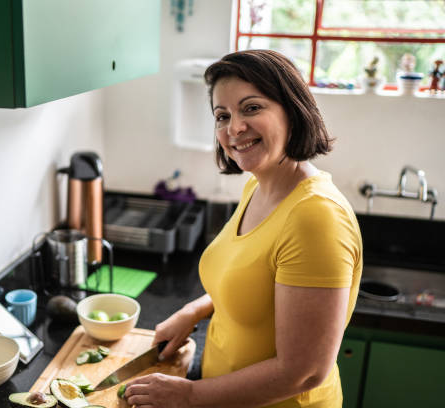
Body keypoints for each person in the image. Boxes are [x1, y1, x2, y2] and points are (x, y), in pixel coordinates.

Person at [124, 49, 363, 408]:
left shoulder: (316, 218)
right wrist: (195, 311)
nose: (233, 128)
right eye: (223, 115)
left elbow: (304, 372)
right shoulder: (259, 185)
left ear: (293, 110)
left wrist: (188, 395)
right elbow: (254, 282)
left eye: (251, 108)